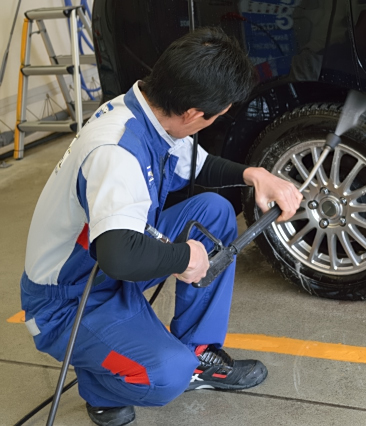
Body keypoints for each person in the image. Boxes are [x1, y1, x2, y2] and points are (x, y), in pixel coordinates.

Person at [20, 27, 302, 426]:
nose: (211, 124)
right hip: (68, 299)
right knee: (167, 375)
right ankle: (101, 388)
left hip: (107, 261)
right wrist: (184, 257)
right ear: (193, 114)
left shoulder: (150, 111)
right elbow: (118, 257)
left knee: (213, 212)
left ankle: (198, 351)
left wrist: (253, 175)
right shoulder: (118, 152)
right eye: (215, 117)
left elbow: (196, 165)